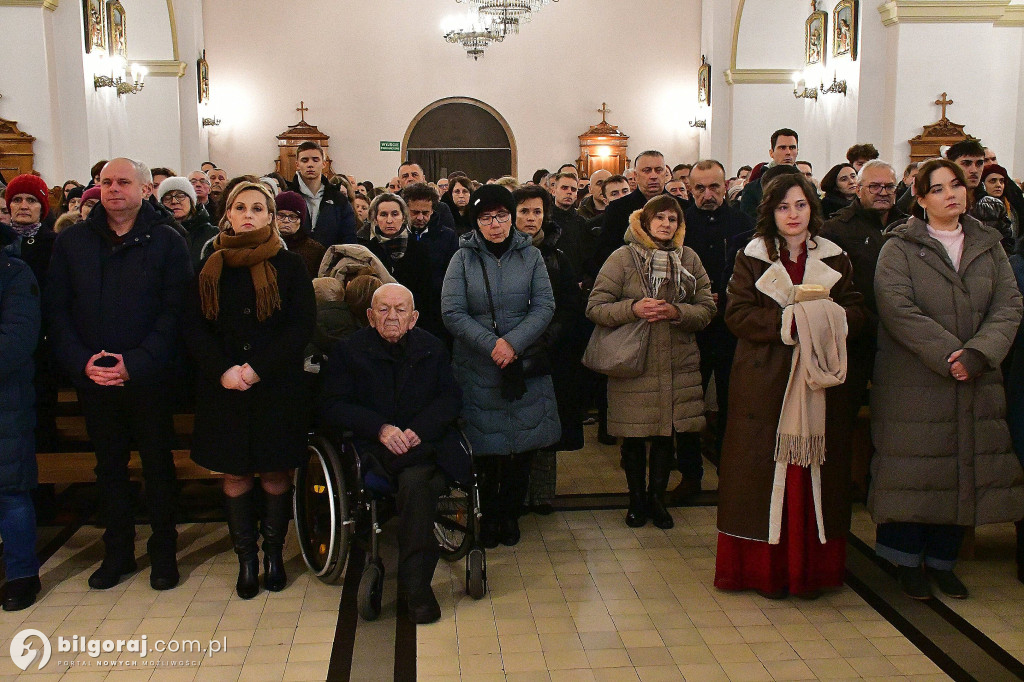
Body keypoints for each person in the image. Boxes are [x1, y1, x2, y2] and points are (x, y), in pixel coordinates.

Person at [869, 159, 1024, 600]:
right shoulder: (899, 247)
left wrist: (979, 353)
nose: (950, 194)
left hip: (975, 375)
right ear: (919, 199)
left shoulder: (987, 245)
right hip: (916, 380)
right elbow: (897, 307)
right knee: (916, 471)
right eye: (937, 189)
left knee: (962, 467)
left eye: (956, 185)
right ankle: (904, 559)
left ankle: (942, 560)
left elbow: (1009, 305)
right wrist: (948, 354)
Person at [715, 173, 866, 599]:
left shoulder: (835, 257)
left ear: (812, 208)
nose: (793, 215)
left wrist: (827, 319)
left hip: (819, 382)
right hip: (765, 383)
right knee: (761, 476)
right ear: (770, 212)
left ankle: (811, 571)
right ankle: (760, 571)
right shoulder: (752, 256)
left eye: (800, 205)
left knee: (817, 473)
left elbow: (856, 308)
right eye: (783, 207)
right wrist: (791, 322)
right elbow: (737, 315)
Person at [47, 158, 193, 591]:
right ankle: (118, 552)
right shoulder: (72, 242)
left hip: (149, 378)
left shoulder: (168, 240)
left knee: (158, 465)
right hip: (94, 378)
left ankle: (163, 553)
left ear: (146, 190)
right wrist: (82, 361)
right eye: (105, 181)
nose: (113, 189)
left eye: (123, 181)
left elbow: (175, 312)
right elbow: (57, 311)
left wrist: (138, 362)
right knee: (108, 467)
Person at [182, 181, 315, 600]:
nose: (249, 214)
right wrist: (223, 370)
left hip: (275, 386)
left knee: (276, 470)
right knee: (235, 471)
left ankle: (273, 555)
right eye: (241, 207)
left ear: (271, 217)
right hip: (224, 390)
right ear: (228, 216)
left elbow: (300, 327)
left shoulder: (289, 265)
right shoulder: (209, 266)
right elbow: (195, 328)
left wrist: (257, 369)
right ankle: (246, 560)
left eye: (258, 208)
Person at [320, 283, 465, 624]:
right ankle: (417, 590)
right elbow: (331, 405)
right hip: (375, 449)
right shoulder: (349, 351)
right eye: (383, 309)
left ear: (413, 318)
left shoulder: (432, 347)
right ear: (370, 316)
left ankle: (416, 586)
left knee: (417, 481)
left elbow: (450, 400)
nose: (392, 317)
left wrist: (420, 430)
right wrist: (381, 429)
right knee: (417, 484)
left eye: (400, 310)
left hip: (425, 446)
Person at [441, 185, 560, 547]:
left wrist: (513, 343)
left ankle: (509, 515)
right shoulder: (462, 259)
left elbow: (544, 305)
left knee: (521, 445)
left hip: (520, 363)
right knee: (485, 446)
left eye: (502, 216)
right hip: (479, 365)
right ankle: (487, 514)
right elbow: (452, 312)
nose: (496, 224)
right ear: (476, 222)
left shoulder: (531, 257)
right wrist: (492, 344)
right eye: (487, 217)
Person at [587, 195, 714, 529]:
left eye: (672, 219)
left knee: (664, 436)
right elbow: (596, 306)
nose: (665, 224)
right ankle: (635, 500)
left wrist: (676, 311)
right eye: (659, 218)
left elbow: (707, 308)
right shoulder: (623, 257)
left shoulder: (688, 258)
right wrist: (634, 309)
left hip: (676, 360)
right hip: (634, 362)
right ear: (644, 221)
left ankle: (657, 501)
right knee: (632, 437)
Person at [512, 185, 586, 514]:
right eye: (524, 211)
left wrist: (550, 335)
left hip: (549, 353)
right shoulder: (502, 253)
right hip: (510, 350)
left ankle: (541, 495)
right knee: (515, 424)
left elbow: (571, 305)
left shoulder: (557, 255)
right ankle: (513, 495)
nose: (531, 218)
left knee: (544, 426)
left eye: (537, 211)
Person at [680, 160, 755, 479]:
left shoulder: (744, 222)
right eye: (700, 188)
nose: (708, 194)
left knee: (730, 399)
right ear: (689, 189)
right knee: (687, 401)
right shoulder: (678, 221)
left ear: (726, 186)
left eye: (714, 186)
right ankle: (689, 471)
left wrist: (726, 296)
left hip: (730, 324)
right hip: (690, 325)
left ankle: (731, 467)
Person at [0, 225, 42, 611]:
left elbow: (16, 338)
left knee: (9, 490)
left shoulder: (13, 271)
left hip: (4, 399)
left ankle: (21, 575)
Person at [360, 192, 440, 339]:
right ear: (375, 219)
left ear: (403, 217)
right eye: (383, 214)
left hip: (415, 326)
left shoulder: (420, 250)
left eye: (395, 214)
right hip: (377, 328)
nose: (389, 220)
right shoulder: (366, 252)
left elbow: (428, 295)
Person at [286, 141, 357, 247]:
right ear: (297, 164)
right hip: (294, 260)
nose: (310, 165)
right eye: (304, 160)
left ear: (324, 164)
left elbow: (349, 238)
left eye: (315, 160)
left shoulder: (338, 199)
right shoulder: (287, 198)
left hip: (332, 259)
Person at [402, 182, 459, 296]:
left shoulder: (448, 237)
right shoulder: (398, 236)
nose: (420, 217)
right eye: (415, 212)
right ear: (406, 209)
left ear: (432, 210)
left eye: (425, 213)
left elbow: (453, 276)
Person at [157, 176, 217, 271]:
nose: (174, 201)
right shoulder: (156, 234)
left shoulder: (212, 234)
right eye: (167, 198)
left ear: (192, 200)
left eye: (180, 196)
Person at [739, 128, 800, 219]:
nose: (788, 152)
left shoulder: (808, 186)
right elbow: (748, 223)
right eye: (782, 148)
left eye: (792, 148)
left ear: (797, 151)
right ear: (771, 153)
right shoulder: (752, 189)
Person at [274, 191, 326, 278]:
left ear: (301, 220)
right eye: (281, 215)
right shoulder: (265, 245)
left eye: (292, 216)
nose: (286, 220)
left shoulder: (316, 251)